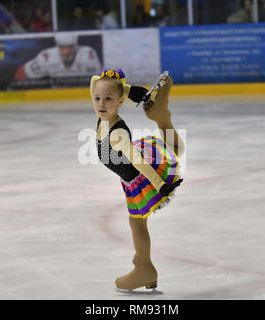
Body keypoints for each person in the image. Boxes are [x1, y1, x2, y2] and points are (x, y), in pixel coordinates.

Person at [91, 68, 184, 292]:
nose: (101, 104)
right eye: (97, 99)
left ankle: (144, 268)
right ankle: (162, 116)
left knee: (137, 221)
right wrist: (128, 90)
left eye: (108, 99)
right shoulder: (101, 117)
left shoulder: (117, 134)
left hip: (140, 175)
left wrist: (160, 184)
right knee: (174, 149)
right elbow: (95, 81)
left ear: (120, 102)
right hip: (132, 172)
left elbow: (138, 161)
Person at [14, 34, 101, 80]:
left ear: (75, 47)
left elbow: (101, 77)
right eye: (63, 47)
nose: (66, 52)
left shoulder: (88, 54)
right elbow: (22, 71)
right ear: (58, 47)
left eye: (70, 47)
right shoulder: (46, 57)